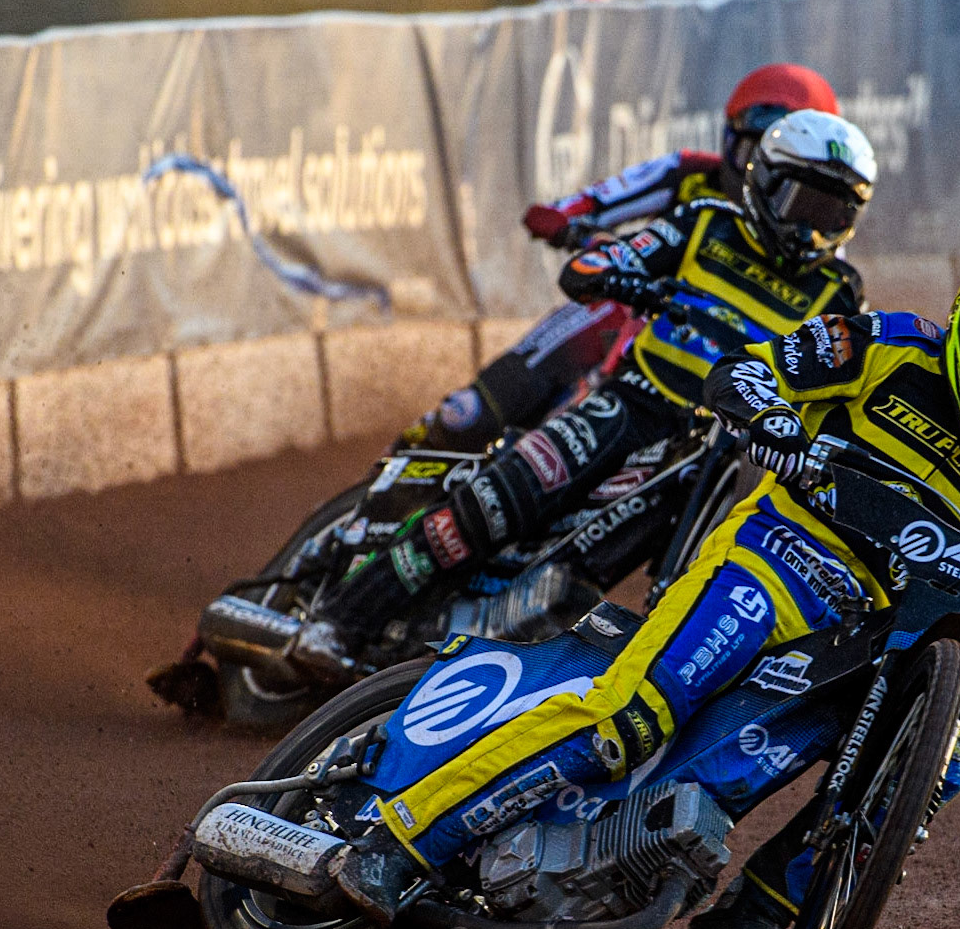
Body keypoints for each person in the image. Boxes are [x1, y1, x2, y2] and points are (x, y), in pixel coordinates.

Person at [325, 229, 960, 929]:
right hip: (773, 564)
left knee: (944, 760)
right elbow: (746, 371)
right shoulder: (883, 343)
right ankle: (401, 841)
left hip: (870, 639)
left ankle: (757, 913)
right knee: (630, 715)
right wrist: (770, 417)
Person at [291, 110, 877, 675]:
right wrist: (621, 276)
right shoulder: (705, 221)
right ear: (764, 183)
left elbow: (846, 389)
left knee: (618, 575)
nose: (811, 228)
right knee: (495, 502)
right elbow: (598, 264)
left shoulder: (841, 293)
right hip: (631, 403)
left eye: (833, 213)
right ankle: (338, 620)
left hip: (720, 451)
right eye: (803, 204)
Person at [399, 63, 843, 454]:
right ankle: (420, 451)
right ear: (728, 140)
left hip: (721, 376)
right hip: (637, 316)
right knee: (477, 410)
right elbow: (595, 201)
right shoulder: (690, 174)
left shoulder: (822, 250)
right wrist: (568, 220)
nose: (760, 176)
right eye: (753, 154)